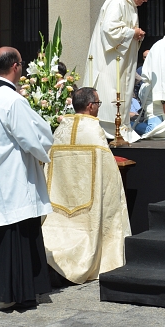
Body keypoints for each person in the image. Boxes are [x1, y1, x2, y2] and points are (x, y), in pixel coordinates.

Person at [0, 47, 53, 311]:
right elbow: (33, 137)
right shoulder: (12, 100)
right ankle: (11, 293)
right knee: (13, 230)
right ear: (15, 66)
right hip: (10, 177)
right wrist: (46, 150)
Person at [42, 87, 131, 284]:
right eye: (98, 104)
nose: (98, 108)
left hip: (60, 203)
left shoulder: (60, 130)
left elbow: (48, 168)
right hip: (87, 211)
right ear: (90, 106)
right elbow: (108, 176)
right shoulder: (93, 131)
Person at [83, 0, 153, 142]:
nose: (145, 0)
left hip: (122, 62)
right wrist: (132, 33)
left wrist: (136, 34)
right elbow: (109, 30)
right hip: (109, 62)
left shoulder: (131, 5)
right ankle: (109, 130)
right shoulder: (117, 1)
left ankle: (121, 127)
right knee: (109, 93)